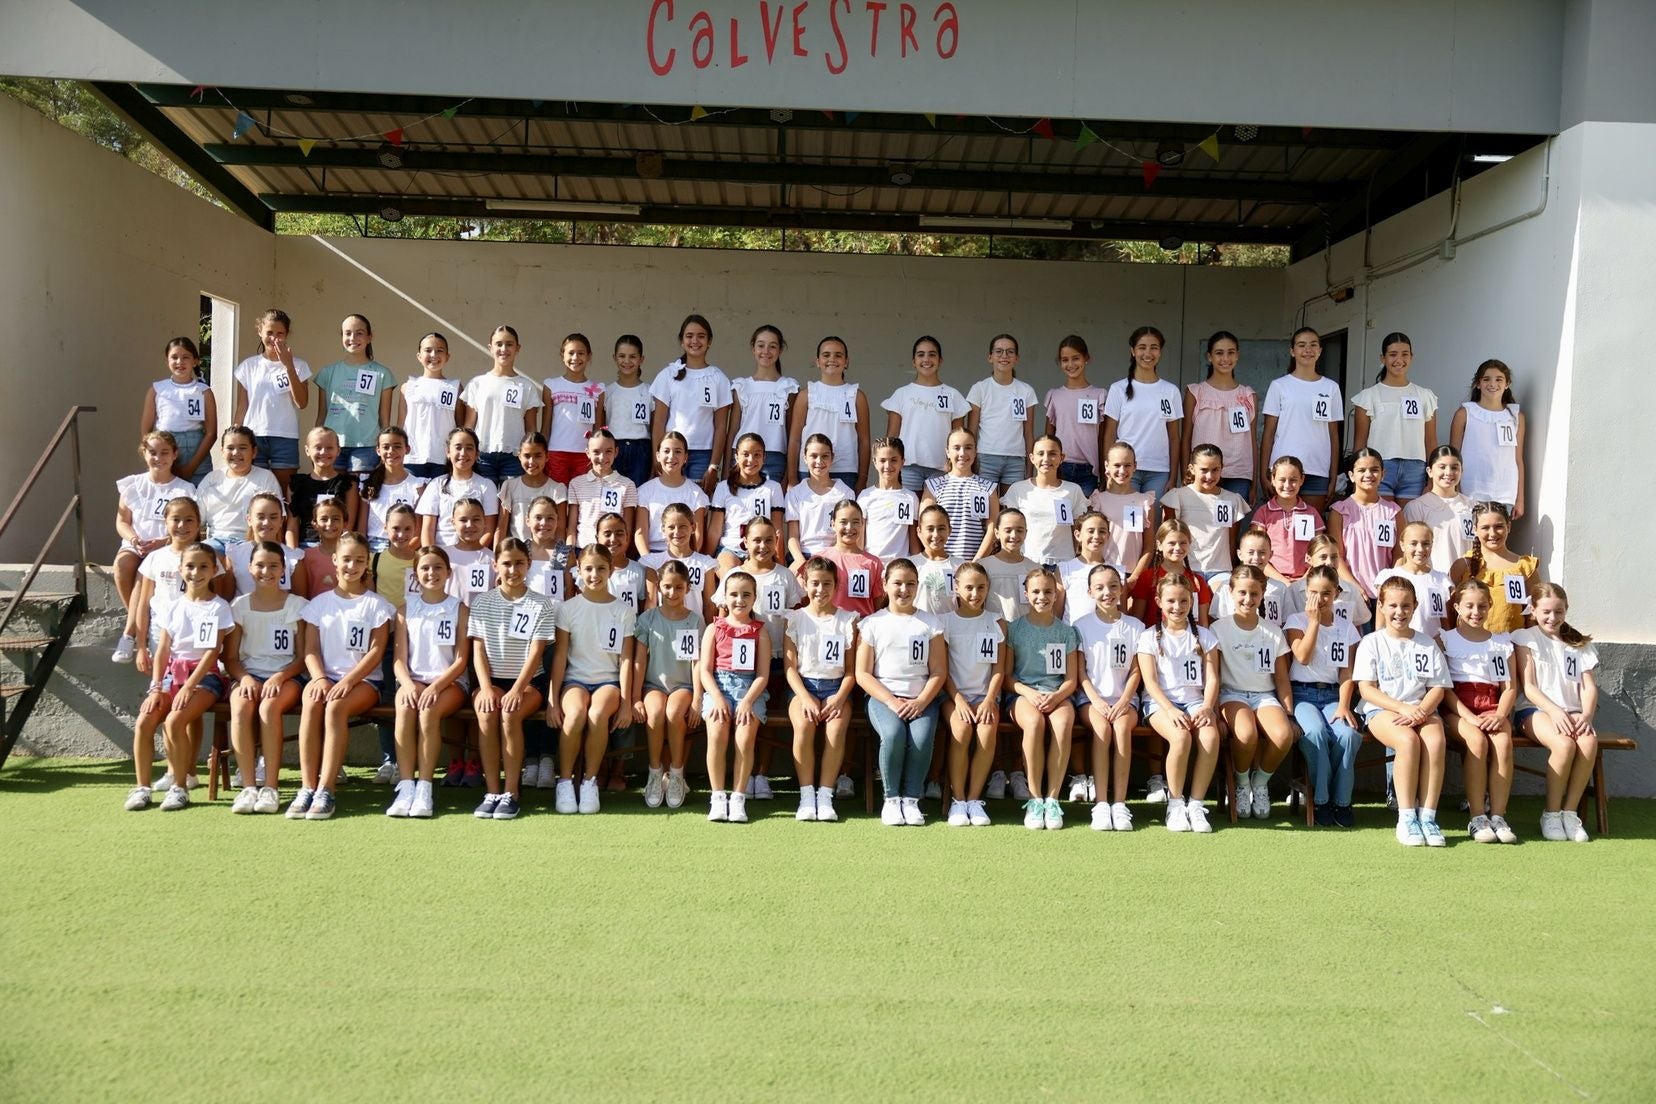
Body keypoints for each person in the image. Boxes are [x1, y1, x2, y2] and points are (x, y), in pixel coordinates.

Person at [291, 531, 395, 820]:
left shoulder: (377, 605)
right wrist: (320, 679)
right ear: (335, 560)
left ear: (367, 564)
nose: (352, 566)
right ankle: (307, 787)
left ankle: (327, 789)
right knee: (312, 702)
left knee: (336, 707)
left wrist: (348, 681)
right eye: (346, 559)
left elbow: (376, 652)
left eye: (359, 560)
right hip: (325, 679)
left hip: (364, 683)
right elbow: (310, 650)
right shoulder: (319, 605)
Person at [123, 542, 231, 812]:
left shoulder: (218, 608)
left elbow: (212, 652)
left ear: (214, 570)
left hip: (206, 678)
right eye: (190, 566)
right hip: (172, 675)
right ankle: (142, 788)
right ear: (181, 570)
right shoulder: (172, 607)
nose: (196, 572)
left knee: (174, 720)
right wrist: (157, 687)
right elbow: (162, 651)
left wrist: (190, 685)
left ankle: (180, 787)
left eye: (203, 566)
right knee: (145, 721)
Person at [1354, 577, 1452, 847]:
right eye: (1393, 605)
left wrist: (1420, 711)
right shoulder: (1371, 642)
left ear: (1415, 606)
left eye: (1406, 606)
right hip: (1383, 710)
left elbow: (1437, 688)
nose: (1400, 612)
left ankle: (1428, 817)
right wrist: (1402, 708)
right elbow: (1367, 690)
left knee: (1435, 741)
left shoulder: (1426, 644)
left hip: (1421, 710)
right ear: (1382, 607)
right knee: (1407, 741)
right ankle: (1406, 817)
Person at [467, 539, 556, 821]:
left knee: (510, 712)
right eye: (506, 563)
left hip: (529, 683)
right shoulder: (482, 602)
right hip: (490, 680)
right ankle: (492, 791)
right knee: (486, 712)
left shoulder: (541, 604)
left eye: (519, 563)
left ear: (528, 565)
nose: (513, 569)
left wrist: (518, 689)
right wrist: (483, 688)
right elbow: (478, 650)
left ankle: (511, 792)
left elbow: (536, 653)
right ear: (496, 566)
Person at [547, 544, 637, 815]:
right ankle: (564, 782)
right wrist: (553, 700)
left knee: (597, 715)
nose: (594, 574)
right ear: (578, 571)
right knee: (574, 714)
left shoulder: (623, 611)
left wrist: (625, 702)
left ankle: (589, 782)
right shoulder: (568, 608)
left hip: (608, 683)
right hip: (575, 681)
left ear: (611, 570)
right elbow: (560, 656)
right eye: (588, 568)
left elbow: (626, 660)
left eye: (601, 568)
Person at [855, 558, 946, 827]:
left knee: (921, 738)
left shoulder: (930, 623)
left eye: (910, 584)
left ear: (918, 587)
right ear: (884, 585)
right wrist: (891, 701)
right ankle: (892, 799)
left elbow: (939, 671)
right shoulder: (872, 623)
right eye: (897, 583)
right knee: (893, 735)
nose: (903, 589)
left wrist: (921, 701)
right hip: (884, 698)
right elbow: (863, 673)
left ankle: (911, 799)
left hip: (922, 699)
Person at [222, 540, 307, 814]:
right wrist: (245, 679)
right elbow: (231, 658)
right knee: (241, 706)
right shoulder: (239, 606)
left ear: (283, 569)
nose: (266, 571)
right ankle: (248, 787)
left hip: (287, 678)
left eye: (273, 566)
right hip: (249, 674)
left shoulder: (297, 605)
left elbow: (303, 657)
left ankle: (270, 787)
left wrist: (280, 678)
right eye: (260, 565)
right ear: (249, 568)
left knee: (269, 708)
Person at [387, 545, 470, 819]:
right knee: (405, 707)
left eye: (437, 567)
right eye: (425, 568)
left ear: (448, 572)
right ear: (415, 573)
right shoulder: (404, 609)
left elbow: (460, 661)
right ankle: (406, 784)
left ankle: (425, 786)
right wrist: (408, 685)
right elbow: (399, 659)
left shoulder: (458, 608)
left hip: (449, 683)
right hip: (414, 681)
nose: (431, 573)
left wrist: (436, 686)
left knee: (428, 711)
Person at [1135, 573, 1222, 833]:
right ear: (1159, 602)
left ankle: (1195, 804)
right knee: (1181, 737)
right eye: (1171, 601)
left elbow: (1213, 678)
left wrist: (1207, 707)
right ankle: (1175, 804)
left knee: (1209, 736)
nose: (1177, 607)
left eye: (1183, 601)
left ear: (1192, 602)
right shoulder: (1148, 637)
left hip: (1196, 702)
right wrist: (1170, 709)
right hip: (1160, 705)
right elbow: (1150, 682)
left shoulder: (1205, 636)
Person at [1513, 583, 1599, 842]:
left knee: (1587, 741)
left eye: (1558, 612)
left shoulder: (1579, 643)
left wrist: (1586, 715)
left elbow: (1589, 687)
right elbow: (1528, 686)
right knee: (1563, 745)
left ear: (1566, 610)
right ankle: (1551, 814)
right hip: (1535, 710)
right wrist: (1554, 710)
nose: (1552, 618)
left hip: (1573, 712)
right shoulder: (1525, 637)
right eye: (1546, 612)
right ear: (1534, 610)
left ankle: (1570, 813)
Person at [1211, 565, 1294, 821]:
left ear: (1263, 594)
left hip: (1264, 696)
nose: (1248, 599)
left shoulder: (1273, 631)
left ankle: (1260, 782)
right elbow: (1212, 676)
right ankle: (1241, 781)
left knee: (1282, 735)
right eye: (1242, 593)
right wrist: (1215, 714)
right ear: (1231, 592)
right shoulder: (1218, 629)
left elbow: (1281, 678)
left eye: (1254, 594)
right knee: (1245, 734)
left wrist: (1289, 714)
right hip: (1232, 694)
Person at [1438, 579, 1518, 843]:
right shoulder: (1445, 640)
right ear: (1457, 607)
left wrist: (1500, 715)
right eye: (1469, 606)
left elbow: (1509, 688)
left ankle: (1498, 816)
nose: (1476, 612)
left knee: (1503, 743)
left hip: (1493, 707)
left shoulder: (1501, 645)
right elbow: (1443, 687)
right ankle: (1477, 816)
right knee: (1476, 741)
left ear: (1490, 606)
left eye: (1482, 606)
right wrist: (1468, 716)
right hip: (1458, 707)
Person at [1284, 564, 1362, 827]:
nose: (1320, 599)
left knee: (1348, 734)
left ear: (1336, 593)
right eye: (1314, 593)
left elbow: (1346, 672)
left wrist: (1344, 705)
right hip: (1302, 693)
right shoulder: (1296, 621)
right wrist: (1314, 622)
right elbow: (1302, 657)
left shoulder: (1347, 628)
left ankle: (1342, 802)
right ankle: (1321, 800)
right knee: (1315, 733)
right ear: (1306, 592)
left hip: (1332, 695)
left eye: (1326, 593)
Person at [1006, 566, 1082, 830]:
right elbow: (1008, 677)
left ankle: (1052, 798)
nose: (1042, 597)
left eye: (1048, 591)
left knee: (1061, 725)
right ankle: (1035, 798)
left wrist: (1056, 696)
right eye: (1036, 591)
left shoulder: (1066, 632)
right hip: (1024, 694)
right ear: (1026, 594)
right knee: (1035, 724)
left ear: (1056, 594)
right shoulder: (1014, 629)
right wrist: (1030, 693)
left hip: (1058, 695)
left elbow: (1071, 679)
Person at [111, 430, 197, 663]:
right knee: (123, 565)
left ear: (175, 455)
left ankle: (131, 634)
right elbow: (122, 521)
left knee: (145, 572)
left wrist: (162, 541)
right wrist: (134, 539)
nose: (158, 458)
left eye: (164, 453)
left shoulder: (184, 489)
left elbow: (189, 525)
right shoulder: (133, 484)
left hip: (167, 544)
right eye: (152, 453)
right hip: (136, 543)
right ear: (144, 454)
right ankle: (140, 619)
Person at [784, 557, 858, 823]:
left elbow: (851, 671)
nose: (820, 589)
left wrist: (839, 698)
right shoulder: (795, 618)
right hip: (803, 687)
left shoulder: (848, 620)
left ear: (837, 585)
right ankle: (806, 795)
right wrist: (804, 697)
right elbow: (790, 668)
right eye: (815, 583)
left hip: (837, 689)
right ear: (804, 583)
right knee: (804, 726)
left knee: (835, 729)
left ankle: (825, 794)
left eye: (827, 584)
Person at [1075, 564, 1144, 831]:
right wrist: (1097, 701)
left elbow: (1137, 670)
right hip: (1092, 700)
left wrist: (1125, 699)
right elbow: (1080, 671)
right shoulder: (1080, 626)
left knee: (1122, 728)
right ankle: (1102, 804)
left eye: (1114, 586)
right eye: (1100, 587)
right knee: (1102, 729)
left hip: (1125, 701)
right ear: (1090, 592)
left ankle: (1120, 803)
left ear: (1122, 589)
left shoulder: (1135, 627)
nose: (1108, 593)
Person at [697, 569, 770, 823]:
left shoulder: (760, 631)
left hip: (750, 689)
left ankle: (738, 798)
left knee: (744, 738)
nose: (740, 600)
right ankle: (718, 797)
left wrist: (748, 700)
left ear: (754, 598)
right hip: (718, 687)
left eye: (746, 595)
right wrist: (716, 696)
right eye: (734, 595)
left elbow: (762, 674)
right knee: (717, 735)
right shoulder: (713, 629)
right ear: (725, 598)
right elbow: (704, 670)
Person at [632, 559, 705, 810]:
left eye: (678, 587)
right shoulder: (647, 619)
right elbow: (639, 662)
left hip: (683, 685)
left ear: (687, 588)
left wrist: (697, 699)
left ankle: (676, 773)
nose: (672, 593)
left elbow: (697, 663)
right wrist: (635, 698)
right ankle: (654, 772)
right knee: (655, 713)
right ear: (659, 587)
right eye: (667, 587)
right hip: (654, 685)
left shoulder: (694, 621)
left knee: (674, 713)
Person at [939, 562, 1004, 827]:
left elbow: (999, 669)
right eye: (968, 588)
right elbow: (941, 670)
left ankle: (975, 800)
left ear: (988, 588)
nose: (975, 594)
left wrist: (989, 699)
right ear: (956, 587)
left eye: (981, 588)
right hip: (954, 697)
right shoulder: (945, 622)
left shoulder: (995, 621)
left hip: (986, 697)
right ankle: (959, 799)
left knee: (987, 733)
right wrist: (958, 701)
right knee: (962, 730)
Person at [1349, 332, 1438, 504]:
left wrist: (1432, 478)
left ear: (1411, 357)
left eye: (1405, 354)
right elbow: (1359, 443)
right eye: (1393, 354)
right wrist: (1357, 480)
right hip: (1378, 467)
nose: (1399, 360)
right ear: (1382, 358)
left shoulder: (1425, 396)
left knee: (1410, 527)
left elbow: (1431, 441)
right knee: (1382, 522)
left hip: (1416, 469)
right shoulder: (1368, 396)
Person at [1259, 327, 1342, 510]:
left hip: (1318, 469)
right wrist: (1263, 473)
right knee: (1281, 529)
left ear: (1320, 350)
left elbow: (1334, 436)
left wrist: (1333, 476)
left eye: (1313, 345)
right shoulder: (1279, 386)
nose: (1308, 350)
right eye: (1301, 345)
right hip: (1283, 469)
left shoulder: (1331, 388)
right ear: (1292, 351)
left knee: (1312, 532)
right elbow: (1268, 433)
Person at [232, 308, 311, 497]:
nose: (274, 338)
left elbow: (301, 402)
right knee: (254, 492)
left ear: (287, 335)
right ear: (260, 331)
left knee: (282, 495)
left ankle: (285, 527)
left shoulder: (299, 365)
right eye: (269, 333)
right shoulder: (249, 366)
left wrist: (288, 365)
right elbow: (243, 405)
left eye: (280, 333)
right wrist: (234, 434)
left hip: (285, 436)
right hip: (254, 436)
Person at [649, 313, 732, 488]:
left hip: (704, 454)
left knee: (697, 509)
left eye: (701, 336)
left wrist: (713, 465)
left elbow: (721, 427)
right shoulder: (668, 375)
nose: (695, 341)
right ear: (682, 341)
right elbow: (658, 421)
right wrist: (658, 456)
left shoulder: (719, 378)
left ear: (709, 341)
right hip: (671, 452)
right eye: (689, 336)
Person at [883, 335, 968, 493]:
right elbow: (892, 436)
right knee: (910, 516)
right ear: (913, 361)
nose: (926, 359)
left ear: (940, 360)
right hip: (908, 468)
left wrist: (954, 466)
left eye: (932, 354)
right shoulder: (902, 394)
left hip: (942, 468)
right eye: (921, 354)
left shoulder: (953, 394)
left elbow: (959, 437)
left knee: (936, 516)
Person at [1103, 325, 1182, 495]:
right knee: (1125, 521)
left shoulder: (1170, 391)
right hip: (1125, 469)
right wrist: (1109, 472)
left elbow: (1174, 437)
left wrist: (1173, 476)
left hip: (1159, 472)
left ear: (1160, 352)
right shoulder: (1118, 389)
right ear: (1133, 351)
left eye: (1154, 348)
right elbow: (1109, 434)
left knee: (1153, 522)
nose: (1148, 353)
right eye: (1142, 347)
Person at [313, 314, 394, 476]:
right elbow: (322, 415)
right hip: (331, 445)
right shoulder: (328, 372)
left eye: (359, 333)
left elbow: (384, 419)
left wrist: (384, 447)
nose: (353, 338)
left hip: (366, 447)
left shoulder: (382, 373)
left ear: (369, 337)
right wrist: (315, 443)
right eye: (347, 333)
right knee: (333, 498)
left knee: (359, 496)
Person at [463, 323, 543, 483]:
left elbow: (531, 429)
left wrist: (530, 456)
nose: (504, 349)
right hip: (482, 455)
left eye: (509, 344)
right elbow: (469, 425)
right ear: (490, 347)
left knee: (511, 505)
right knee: (484, 504)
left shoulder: (527, 386)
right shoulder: (477, 383)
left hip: (514, 457)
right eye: (499, 344)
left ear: (517, 348)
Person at [1181, 330, 1255, 501]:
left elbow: (1251, 441)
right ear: (1209, 357)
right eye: (1219, 353)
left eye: (1230, 352)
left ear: (1237, 356)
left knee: (1230, 526)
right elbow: (1185, 437)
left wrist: (1254, 482)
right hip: (1203, 472)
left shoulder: (1248, 395)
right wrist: (1186, 471)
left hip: (1238, 473)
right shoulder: (1195, 392)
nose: (1225, 358)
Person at [786, 335, 868, 491]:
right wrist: (792, 478)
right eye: (826, 355)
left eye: (838, 355)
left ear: (846, 361)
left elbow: (864, 440)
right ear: (817, 361)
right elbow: (795, 438)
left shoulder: (857, 395)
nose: (832, 359)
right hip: (809, 469)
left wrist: (862, 480)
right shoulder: (806, 394)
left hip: (846, 469)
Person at [1450, 358, 1525, 518]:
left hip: (1505, 491)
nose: (1493, 384)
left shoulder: (1515, 416)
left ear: (1507, 384)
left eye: (1499, 379)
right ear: (1478, 383)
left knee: (1496, 540)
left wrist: (1520, 498)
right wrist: (1455, 491)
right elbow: (1453, 457)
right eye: (1486, 379)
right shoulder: (1465, 413)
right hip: (1470, 489)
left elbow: (1518, 459)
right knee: (1471, 541)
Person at [1450, 502, 1538, 633]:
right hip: (1470, 648)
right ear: (1474, 529)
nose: (1492, 533)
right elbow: (1450, 612)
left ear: (1508, 526)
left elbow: (1534, 613)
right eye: (1485, 527)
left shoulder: (1524, 566)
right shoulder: (1463, 565)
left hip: (1512, 646)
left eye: (1499, 527)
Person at [1159, 443, 1248, 574]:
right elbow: (1168, 538)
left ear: (1222, 468)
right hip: (1185, 570)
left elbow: (1231, 541)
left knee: (1222, 594)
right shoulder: (1177, 497)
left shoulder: (1232, 500)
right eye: (1204, 470)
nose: (1209, 476)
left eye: (1215, 470)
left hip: (1220, 570)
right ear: (1192, 468)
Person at [1001, 434, 1089, 566]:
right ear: (1032, 458)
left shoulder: (1073, 490)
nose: (1046, 459)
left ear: (1062, 458)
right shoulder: (1018, 489)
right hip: (1028, 562)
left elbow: (1078, 530)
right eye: (1040, 454)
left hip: (1064, 563)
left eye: (1052, 454)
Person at [1326, 448, 1401, 601]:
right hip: (1351, 593)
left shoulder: (1393, 511)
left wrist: (1388, 585)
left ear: (1383, 474)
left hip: (1386, 594)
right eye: (1362, 470)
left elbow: (1399, 555)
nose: (1368, 475)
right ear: (1352, 476)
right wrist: (1355, 587)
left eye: (1374, 470)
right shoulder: (1339, 511)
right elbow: (1336, 556)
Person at [140, 336, 215, 486]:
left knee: (199, 501)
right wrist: (153, 453)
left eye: (185, 357)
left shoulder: (204, 391)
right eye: (174, 357)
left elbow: (211, 433)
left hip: (197, 454)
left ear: (195, 361)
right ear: (166, 360)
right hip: (165, 449)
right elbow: (146, 429)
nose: (180, 362)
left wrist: (191, 467)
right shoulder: (157, 389)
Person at [967, 334, 1038, 490]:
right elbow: (971, 431)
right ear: (990, 357)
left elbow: (1028, 433)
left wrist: (1030, 469)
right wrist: (971, 463)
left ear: (1017, 358)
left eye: (1010, 351)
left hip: (1016, 460)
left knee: (1012, 509)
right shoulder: (979, 388)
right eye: (999, 351)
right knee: (986, 509)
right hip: (985, 458)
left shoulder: (1026, 391)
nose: (1004, 356)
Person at [729, 324, 799, 484]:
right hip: (742, 457)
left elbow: (792, 434)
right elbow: (732, 431)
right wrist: (727, 469)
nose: (766, 351)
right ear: (753, 348)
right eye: (761, 345)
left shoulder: (788, 387)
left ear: (780, 351)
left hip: (775, 458)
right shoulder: (741, 386)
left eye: (772, 346)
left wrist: (789, 474)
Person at [195, 426, 279, 554]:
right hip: (216, 542)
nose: (236, 453)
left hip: (250, 544)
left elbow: (278, 520)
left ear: (254, 452)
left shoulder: (266, 478)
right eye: (230, 448)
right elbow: (196, 519)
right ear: (222, 451)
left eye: (243, 448)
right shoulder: (211, 479)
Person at [1042, 334, 1108, 496]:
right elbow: (1048, 439)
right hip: (1060, 467)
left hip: (1088, 471)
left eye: (1076, 358)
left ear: (1086, 358)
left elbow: (1102, 438)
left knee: (1085, 519)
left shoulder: (1099, 395)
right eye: (1065, 360)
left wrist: (1104, 473)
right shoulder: (1055, 395)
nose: (1070, 364)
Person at [709, 432, 785, 569]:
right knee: (730, 574)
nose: (751, 460)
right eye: (746, 454)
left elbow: (777, 531)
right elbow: (714, 530)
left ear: (764, 457)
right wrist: (706, 560)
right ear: (736, 456)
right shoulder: (723, 488)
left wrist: (781, 567)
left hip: (763, 550)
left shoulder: (773, 488)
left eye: (757, 455)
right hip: (731, 549)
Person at [415, 426, 500, 548]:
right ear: (448, 452)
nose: (463, 453)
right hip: (441, 556)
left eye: (469, 448)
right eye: (458, 447)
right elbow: (427, 529)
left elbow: (488, 530)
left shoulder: (487, 486)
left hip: (473, 556)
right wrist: (433, 557)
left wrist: (470, 554)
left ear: (477, 454)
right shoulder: (436, 484)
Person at [921, 428, 999, 561]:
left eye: (968, 447)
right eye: (956, 448)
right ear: (947, 452)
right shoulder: (933, 486)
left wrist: (975, 563)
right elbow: (924, 528)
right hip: (942, 564)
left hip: (975, 566)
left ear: (975, 451)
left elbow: (992, 530)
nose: (962, 453)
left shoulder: (988, 488)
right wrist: (939, 560)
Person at [396, 331, 465, 480]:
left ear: (447, 356)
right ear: (419, 356)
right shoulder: (408, 386)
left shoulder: (455, 387)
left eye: (440, 350)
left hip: (443, 458)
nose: (434, 354)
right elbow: (401, 425)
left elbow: (460, 426)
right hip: (413, 458)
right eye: (428, 350)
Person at [539, 332, 605, 483]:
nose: (575, 358)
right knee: (558, 498)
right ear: (562, 355)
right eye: (571, 353)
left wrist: (596, 455)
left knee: (582, 499)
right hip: (556, 452)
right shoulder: (551, 385)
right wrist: (542, 453)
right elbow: (546, 426)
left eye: (581, 353)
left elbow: (598, 429)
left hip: (585, 454)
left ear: (589, 356)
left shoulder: (598, 389)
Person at [1088, 442, 1156, 583]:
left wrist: (1135, 576)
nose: (1122, 470)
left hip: (1133, 575)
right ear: (1107, 466)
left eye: (1127, 465)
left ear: (1135, 466)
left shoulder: (1145, 501)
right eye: (1117, 465)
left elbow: (1149, 545)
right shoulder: (1098, 500)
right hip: (1103, 574)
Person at [1402, 446, 1478, 573]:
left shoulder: (1472, 507)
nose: (1448, 473)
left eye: (1454, 467)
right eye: (1442, 467)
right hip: (1431, 583)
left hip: (1466, 584)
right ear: (1430, 471)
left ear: (1461, 471)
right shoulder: (1416, 508)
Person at [1127, 519, 1213, 627]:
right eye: (1172, 543)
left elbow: (1203, 623)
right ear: (1159, 545)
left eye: (1183, 543)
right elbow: (1137, 620)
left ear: (1189, 544)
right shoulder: (1147, 577)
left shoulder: (1197, 582)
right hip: (1155, 640)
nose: (1178, 548)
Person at [634, 431, 709, 556]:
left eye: (678, 451)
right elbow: (640, 533)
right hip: (653, 554)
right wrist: (648, 561)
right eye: (666, 451)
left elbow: (698, 536)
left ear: (685, 457)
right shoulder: (645, 491)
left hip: (683, 555)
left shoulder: (696, 493)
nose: (671, 456)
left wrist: (687, 560)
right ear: (658, 455)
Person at [1250, 455, 1323, 582]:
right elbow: (1256, 554)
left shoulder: (1312, 513)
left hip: (1306, 580)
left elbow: (1320, 551)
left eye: (1293, 479)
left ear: (1302, 479)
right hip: (1270, 579)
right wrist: (1283, 581)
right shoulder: (1263, 513)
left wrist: (1305, 578)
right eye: (1282, 480)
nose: (1287, 485)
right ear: (1272, 479)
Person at [784, 433, 854, 564]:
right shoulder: (795, 493)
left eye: (825, 456)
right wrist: (800, 562)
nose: (819, 461)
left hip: (833, 557)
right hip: (803, 556)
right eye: (813, 456)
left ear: (832, 458)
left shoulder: (845, 493)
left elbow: (846, 536)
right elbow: (792, 537)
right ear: (805, 458)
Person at [223, 493, 305, 600]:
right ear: (249, 519)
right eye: (260, 517)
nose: (266, 522)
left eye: (273, 517)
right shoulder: (235, 555)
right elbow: (227, 600)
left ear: (281, 521)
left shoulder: (293, 558)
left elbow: (301, 602)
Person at [564, 428, 638, 548]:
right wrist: (570, 553)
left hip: (613, 552)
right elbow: (571, 528)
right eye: (596, 452)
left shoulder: (627, 485)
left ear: (616, 452)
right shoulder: (576, 484)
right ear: (587, 453)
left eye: (608, 451)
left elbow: (627, 529)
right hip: (583, 550)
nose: (602, 457)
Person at [355, 427, 426, 552]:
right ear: (378, 450)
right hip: (374, 548)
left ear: (407, 449)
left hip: (407, 549)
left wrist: (398, 555)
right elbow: (361, 529)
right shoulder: (367, 483)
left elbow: (419, 533)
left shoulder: (418, 485)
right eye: (386, 447)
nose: (391, 451)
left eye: (397, 446)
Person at [1374, 522, 1452, 634]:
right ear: (1402, 545)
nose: (1420, 549)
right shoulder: (1388, 576)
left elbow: (1445, 624)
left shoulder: (1442, 580)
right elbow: (1380, 623)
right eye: (1413, 543)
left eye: (1426, 543)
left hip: (1431, 647)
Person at [286, 427, 358, 547]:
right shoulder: (297, 485)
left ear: (338, 450)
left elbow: (348, 526)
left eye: (329, 448)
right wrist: (293, 556)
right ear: (307, 450)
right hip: (306, 546)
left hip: (337, 546)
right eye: (318, 447)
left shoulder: (348, 484)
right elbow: (292, 526)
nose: (323, 452)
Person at [1286, 534, 1371, 630]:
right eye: (1323, 557)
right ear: (1309, 559)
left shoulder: (1351, 591)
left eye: (1334, 557)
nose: (1329, 562)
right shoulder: (1293, 591)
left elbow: (1356, 628)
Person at [857, 437, 922, 561]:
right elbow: (860, 540)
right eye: (882, 460)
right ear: (875, 462)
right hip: (873, 565)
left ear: (902, 462)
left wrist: (917, 564)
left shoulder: (910, 497)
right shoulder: (865, 497)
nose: (888, 465)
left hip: (900, 567)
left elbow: (913, 538)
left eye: (893, 460)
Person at [496, 432, 565, 545]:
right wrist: (497, 558)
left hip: (547, 556)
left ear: (547, 456)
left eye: (537, 456)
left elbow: (560, 530)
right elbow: (501, 528)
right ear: (519, 456)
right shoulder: (510, 486)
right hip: (517, 554)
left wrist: (557, 558)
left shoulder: (557, 489)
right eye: (527, 456)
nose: (532, 462)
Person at [605, 335, 654, 487]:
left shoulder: (650, 392)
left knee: (638, 495)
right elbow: (602, 427)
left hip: (641, 450)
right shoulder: (607, 391)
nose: (627, 361)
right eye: (622, 356)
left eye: (633, 356)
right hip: (614, 449)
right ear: (614, 358)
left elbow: (654, 429)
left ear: (641, 359)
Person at [980, 509, 1036, 624]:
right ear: (997, 533)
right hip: (994, 633)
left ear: (1026, 533)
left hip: (1025, 634)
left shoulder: (1035, 569)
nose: (1014, 535)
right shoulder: (984, 566)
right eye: (1008, 530)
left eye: (1019, 530)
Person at [295, 498, 350, 600]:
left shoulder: (352, 556)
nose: (329, 524)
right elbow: (300, 598)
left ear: (345, 523)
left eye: (336, 519)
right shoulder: (305, 557)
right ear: (314, 524)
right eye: (324, 519)